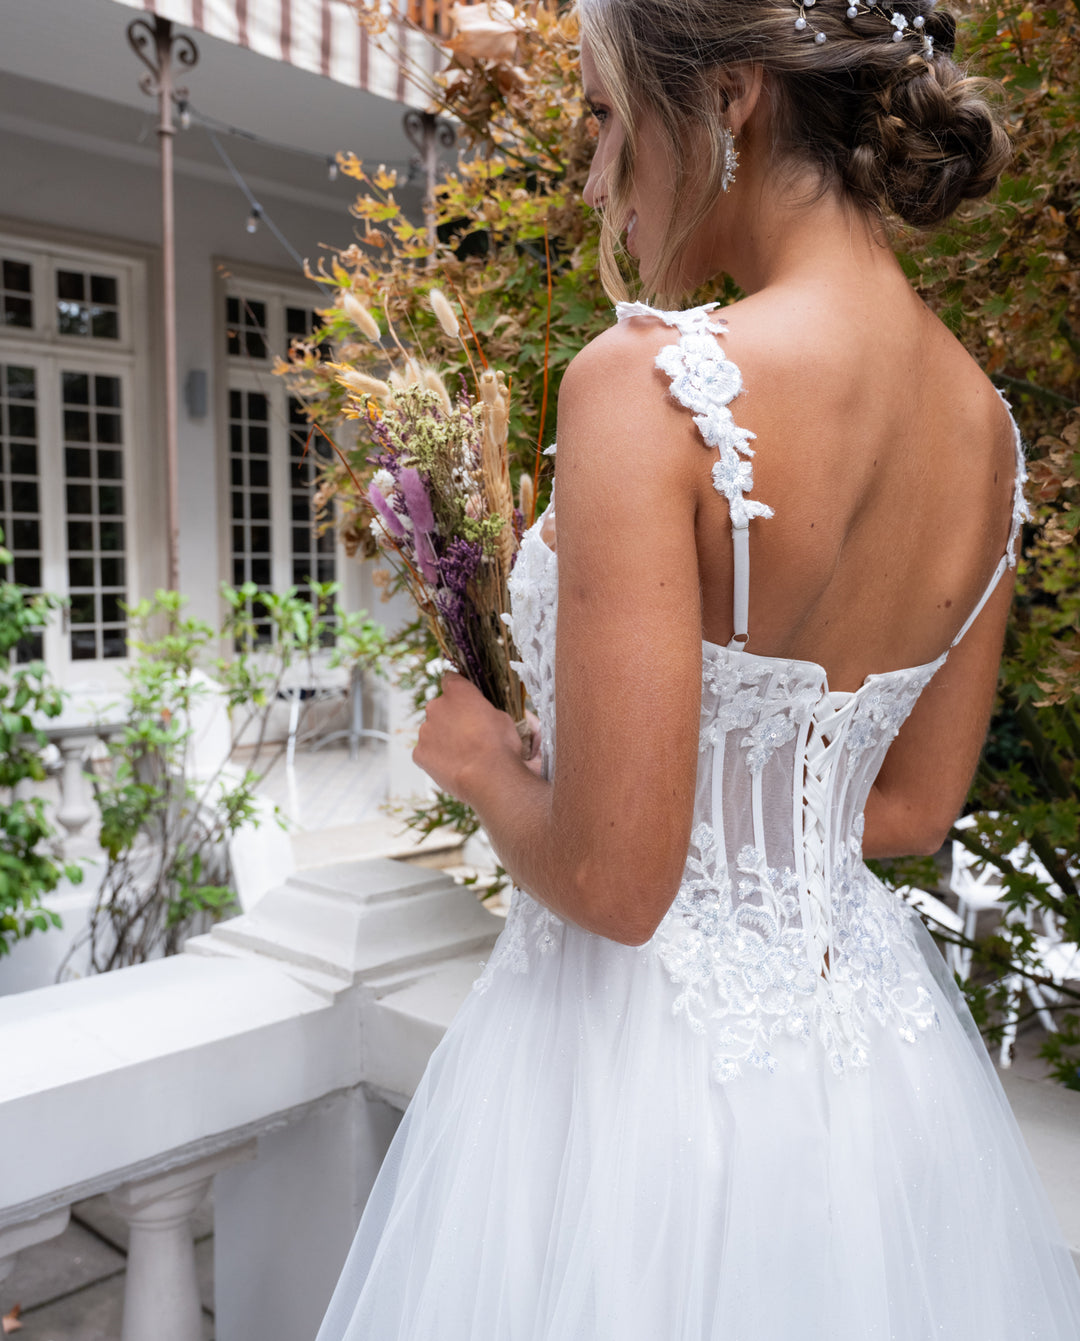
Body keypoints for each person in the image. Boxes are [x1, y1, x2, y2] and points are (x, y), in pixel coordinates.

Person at [316, 0, 1080, 1334]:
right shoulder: (989, 434)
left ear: (729, 97)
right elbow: (903, 812)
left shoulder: (650, 384)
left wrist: (485, 759)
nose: (596, 171)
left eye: (607, 117)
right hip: (878, 1092)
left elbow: (619, 880)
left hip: (637, 1096)